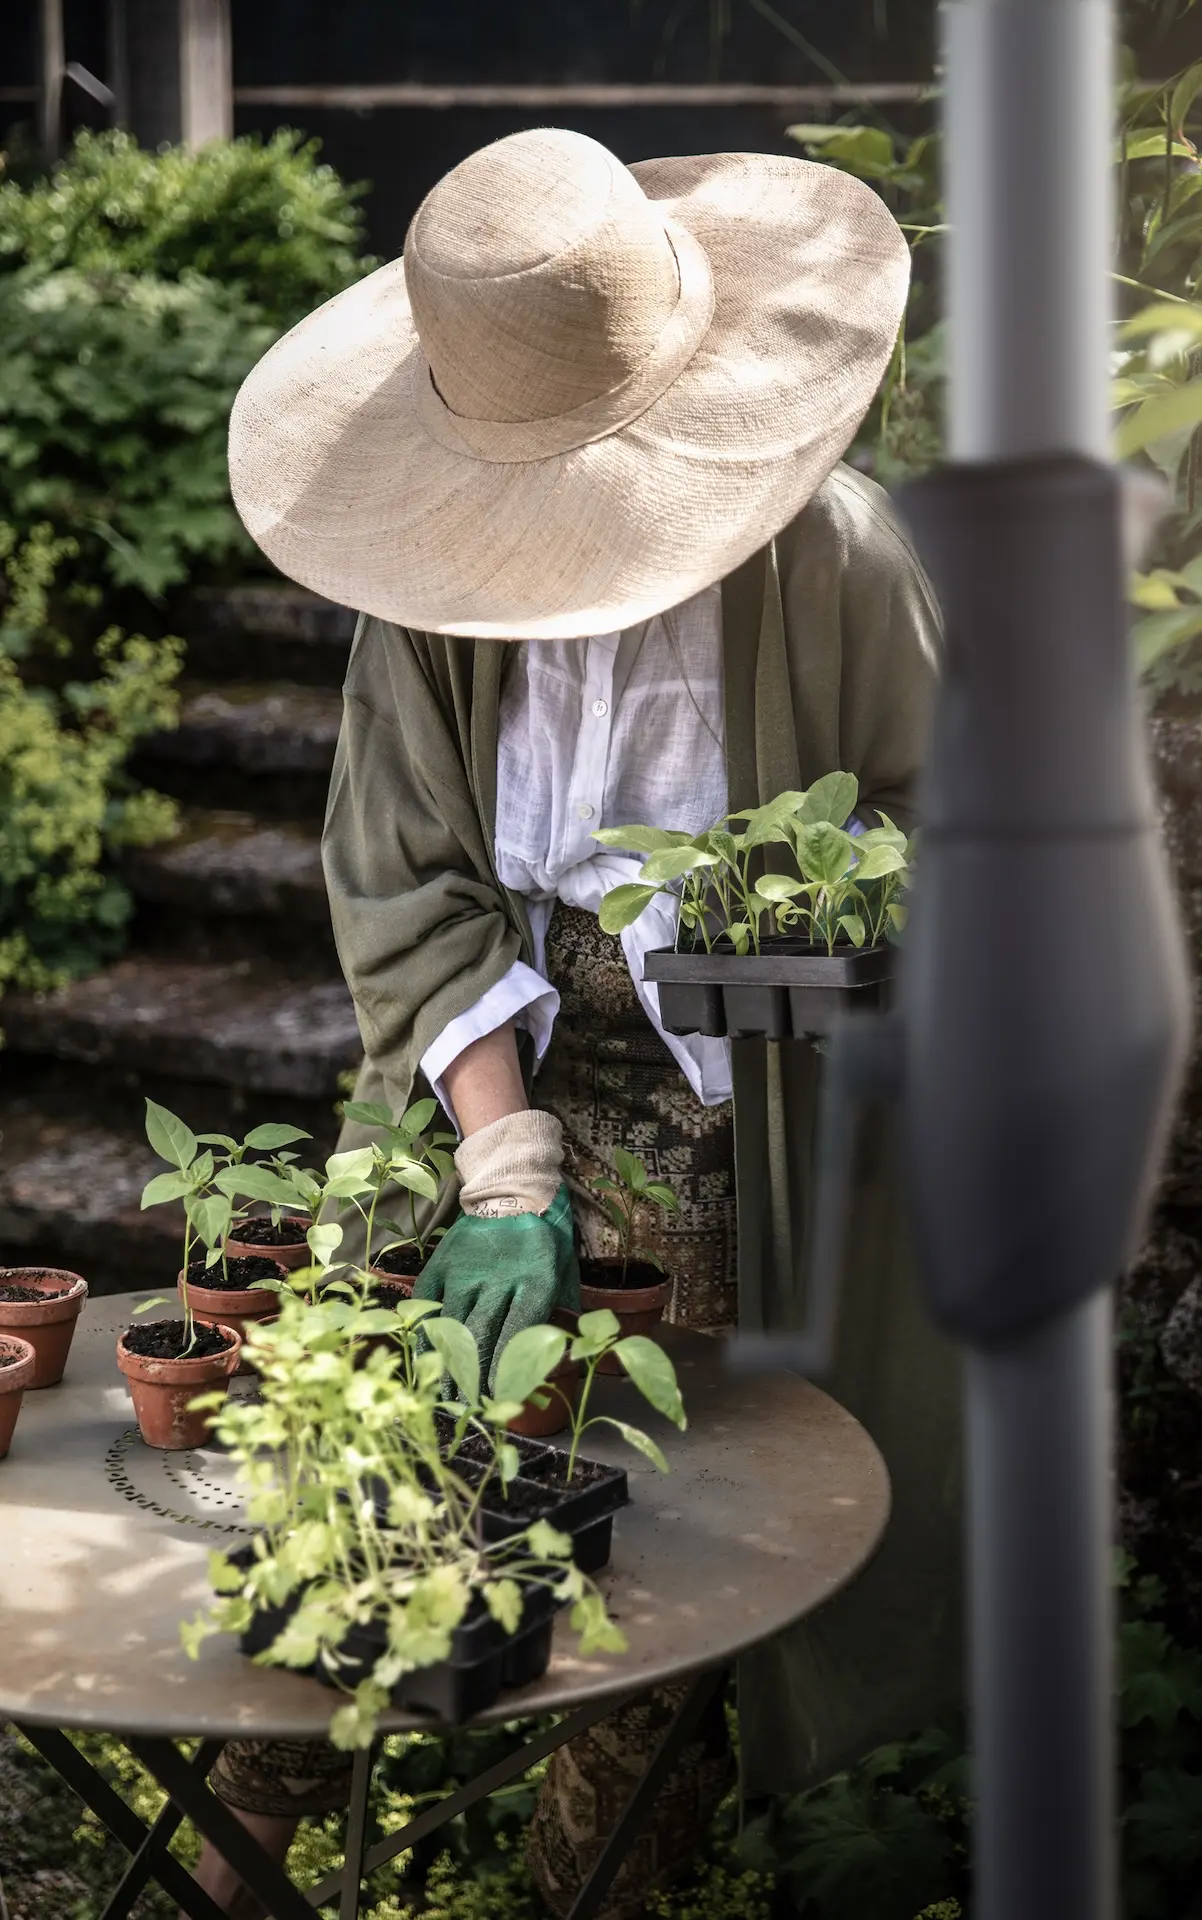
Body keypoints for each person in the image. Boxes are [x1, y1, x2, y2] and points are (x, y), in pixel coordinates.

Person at [186, 126, 962, 1920]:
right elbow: (402, 878)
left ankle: (586, 1877)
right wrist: (508, 1164)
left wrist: (825, 902)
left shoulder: (840, 563)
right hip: (490, 1059)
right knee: (366, 1433)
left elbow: (959, 825)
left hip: (741, 1088)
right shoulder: (428, 589)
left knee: (663, 1518)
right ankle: (233, 1861)